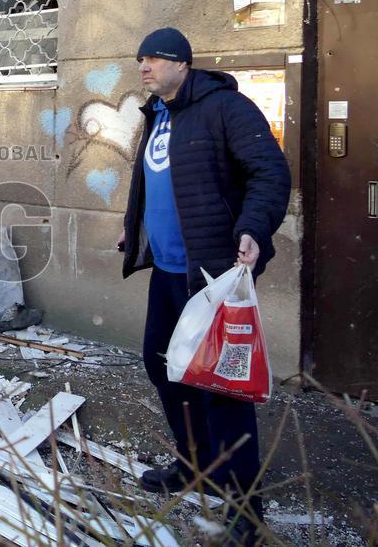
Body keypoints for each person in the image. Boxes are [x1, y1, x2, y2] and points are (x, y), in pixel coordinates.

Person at [119, 28, 290, 544]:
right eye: (141, 59)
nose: (144, 66)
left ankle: (246, 506)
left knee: (220, 387)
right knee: (163, 365)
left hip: (213, 272)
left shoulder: (225, 109)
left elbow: (270, 172)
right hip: (171, 271)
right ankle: (195, 464)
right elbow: (154, 183)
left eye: (153, 58)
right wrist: (135, 226)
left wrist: (254, 228)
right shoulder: (157, 114)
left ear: (183, 63)